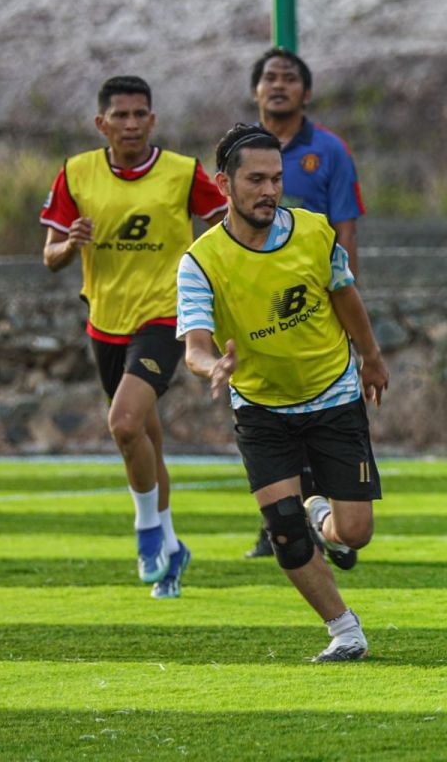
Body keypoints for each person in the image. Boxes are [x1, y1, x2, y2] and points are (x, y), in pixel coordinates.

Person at [178, 123, 388, 661]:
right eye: (256, 180)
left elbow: (346, 297)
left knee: (356, 533)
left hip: (333, 395)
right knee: (284, 532)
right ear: (224, 184)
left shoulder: (315, 232)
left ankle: (324, 516)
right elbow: (196, 345)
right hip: (261, 406)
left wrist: (372, 358)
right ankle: (344, 630)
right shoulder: (201, 261)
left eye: (276, 178)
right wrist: (212, 368)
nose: (269, 190)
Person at [40, 75, 226, 599]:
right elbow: (50, 256)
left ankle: (146, 532)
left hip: (165, 318)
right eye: (119, 115)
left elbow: (226, 224)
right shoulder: (76, 174)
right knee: (144, 440)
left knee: (123, 425)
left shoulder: (182, 172)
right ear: (102, 123)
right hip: (105, 321)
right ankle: (171, 549)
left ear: (153, 120)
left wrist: (210, 276)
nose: (130, 123)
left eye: (140, 114)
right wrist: (68, 245)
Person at [244, 47, 367, 559]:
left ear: (306, 92)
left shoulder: (329, 151)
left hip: (313, 305)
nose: (278, 85)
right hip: (255, 308)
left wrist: (350, 301)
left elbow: (345, 231)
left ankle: (325, 518)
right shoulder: (241, 153)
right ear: (256, 90)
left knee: (320, 409)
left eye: (288, 78)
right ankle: (282, 525)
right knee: (263, 409)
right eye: (269, 77)